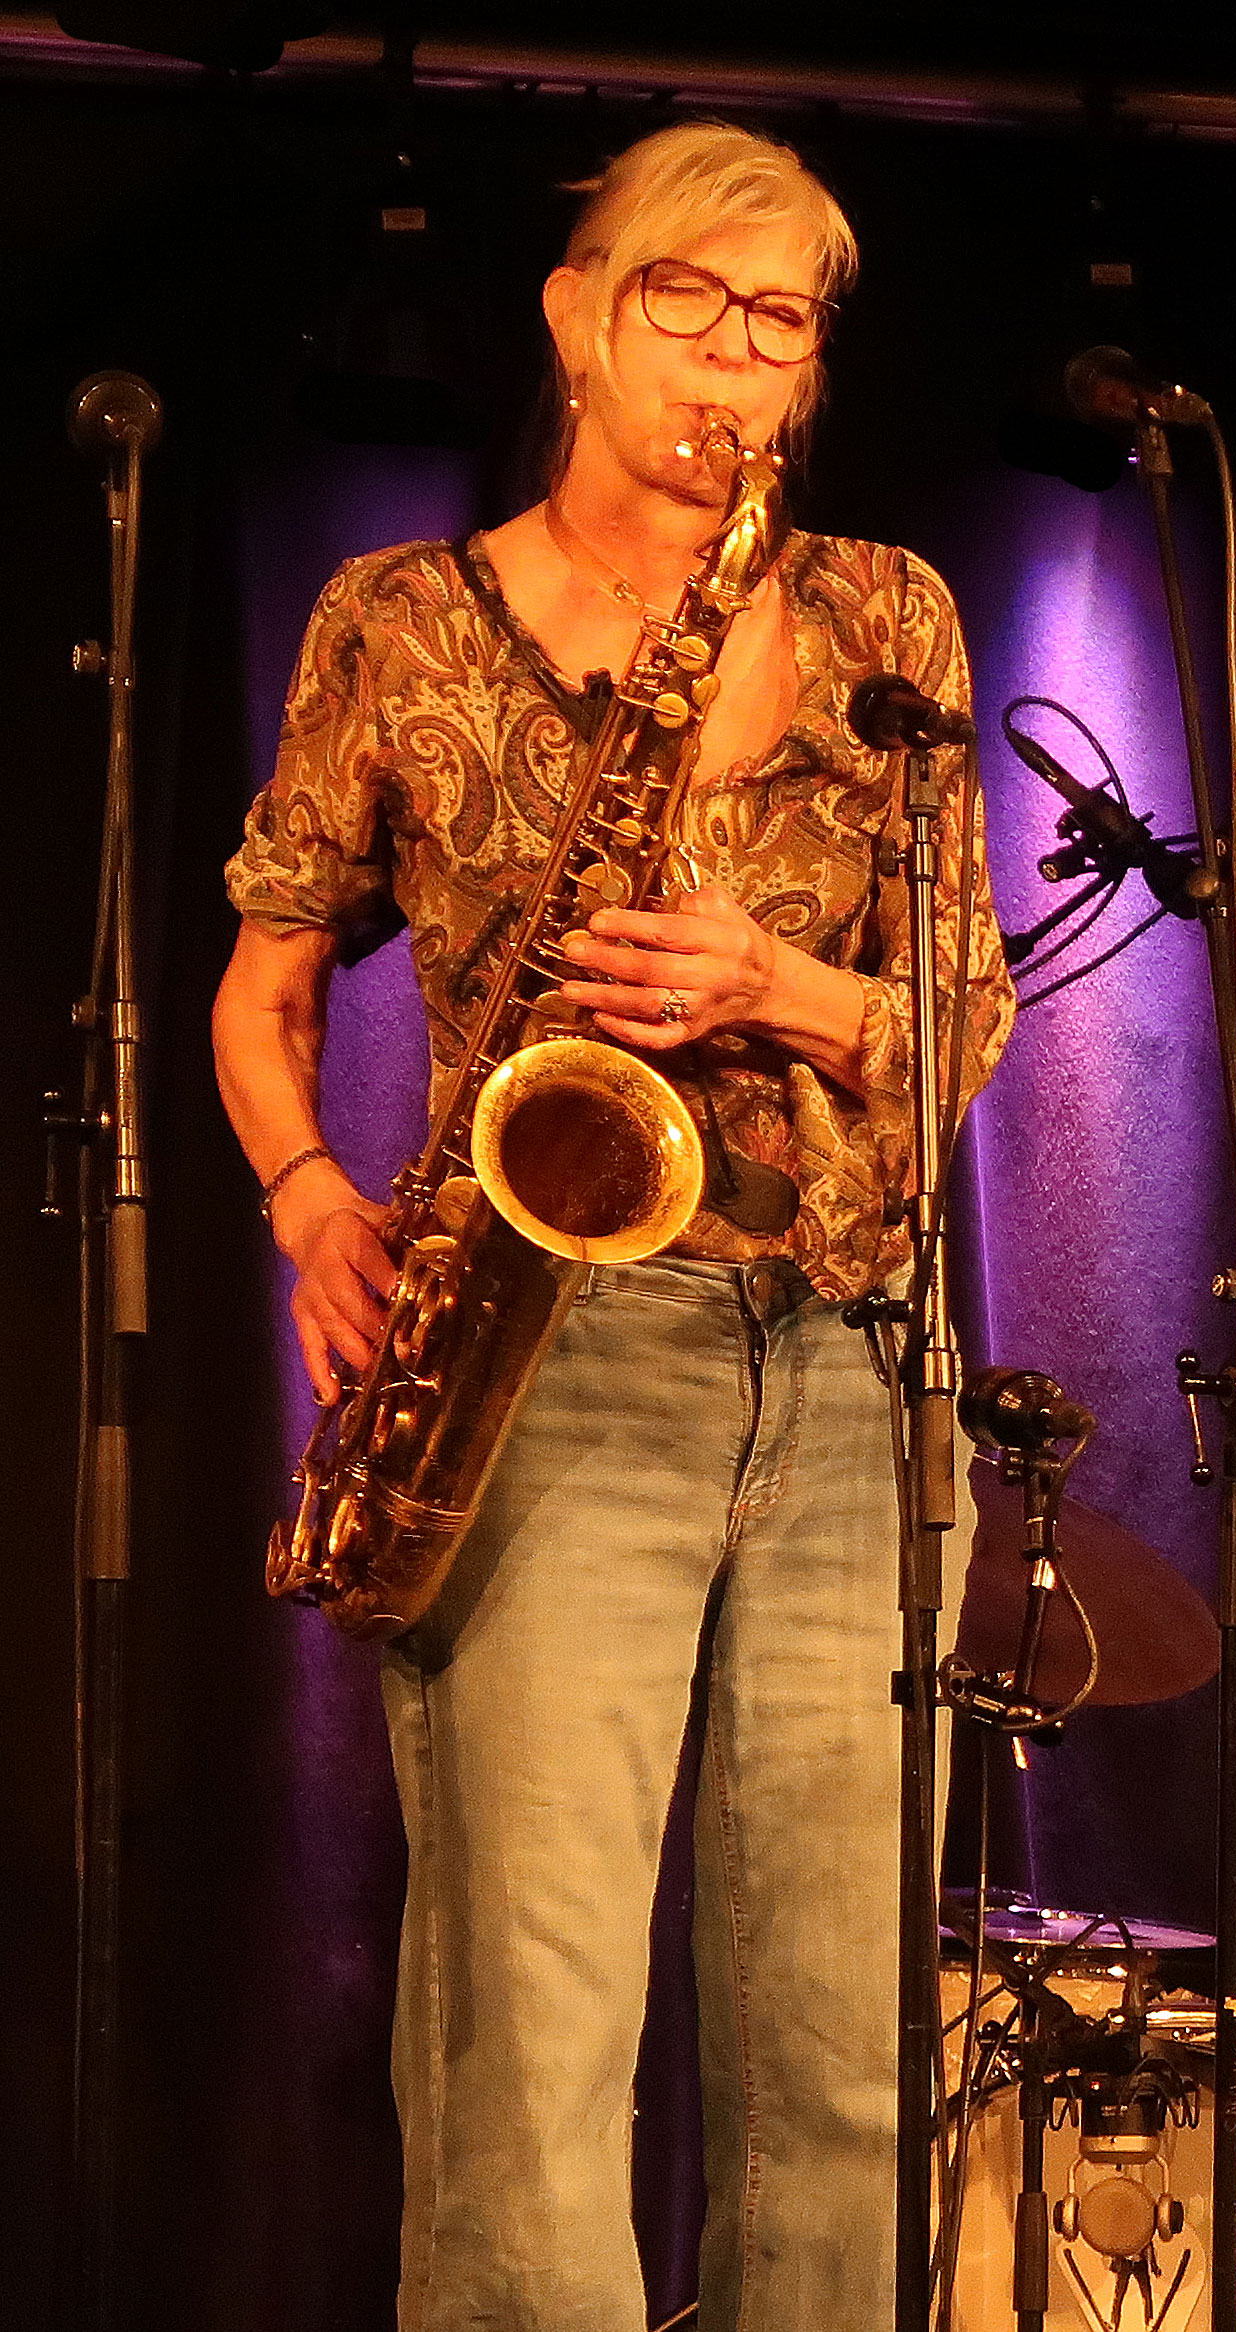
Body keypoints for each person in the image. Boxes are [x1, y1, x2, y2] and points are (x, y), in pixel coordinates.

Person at [207, 119, 1013, 2328]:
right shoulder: (400, 620)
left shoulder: (886, 613)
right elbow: (263, 988)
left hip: (853, 1371)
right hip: (549, 1365)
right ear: (577, 316)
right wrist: (305, 1197)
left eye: (783, 324)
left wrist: (775, 985)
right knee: (534, 2056)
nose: (739, 362)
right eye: (692, 302)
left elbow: (964, 1014)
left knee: (843, 2069)